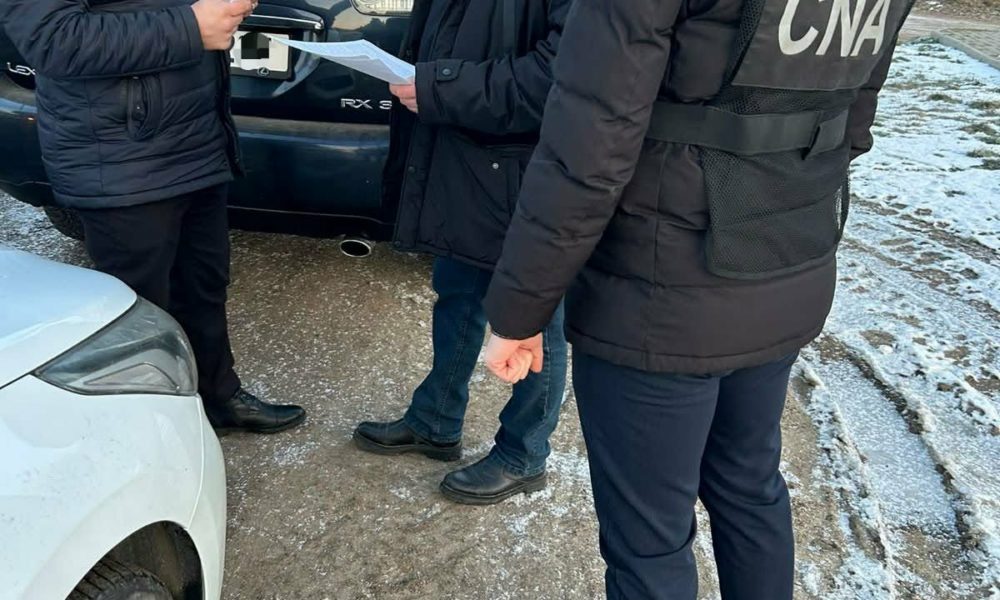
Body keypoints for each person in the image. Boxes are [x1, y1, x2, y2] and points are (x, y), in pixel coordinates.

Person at [479, 0, 913, 596]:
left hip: (659, 297)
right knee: (749, 485)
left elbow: (586, 153)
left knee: (649, 541)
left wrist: (520, 310)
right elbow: (854, 120)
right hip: (786, 264)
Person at [1, 0, 306, 434]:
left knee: (203, 283)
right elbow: (54, 41)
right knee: (137, 311)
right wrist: (191, 27)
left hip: (196, 137)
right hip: (121, 155)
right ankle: (146, 430)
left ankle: (218, 397)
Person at [353, 0, 572, 505]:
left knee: (540, 317)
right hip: (461, 148)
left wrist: (440, 86)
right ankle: (435, 419)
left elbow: (559, 74)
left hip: (530, 165)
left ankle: (524, 453)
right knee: (457, 290)